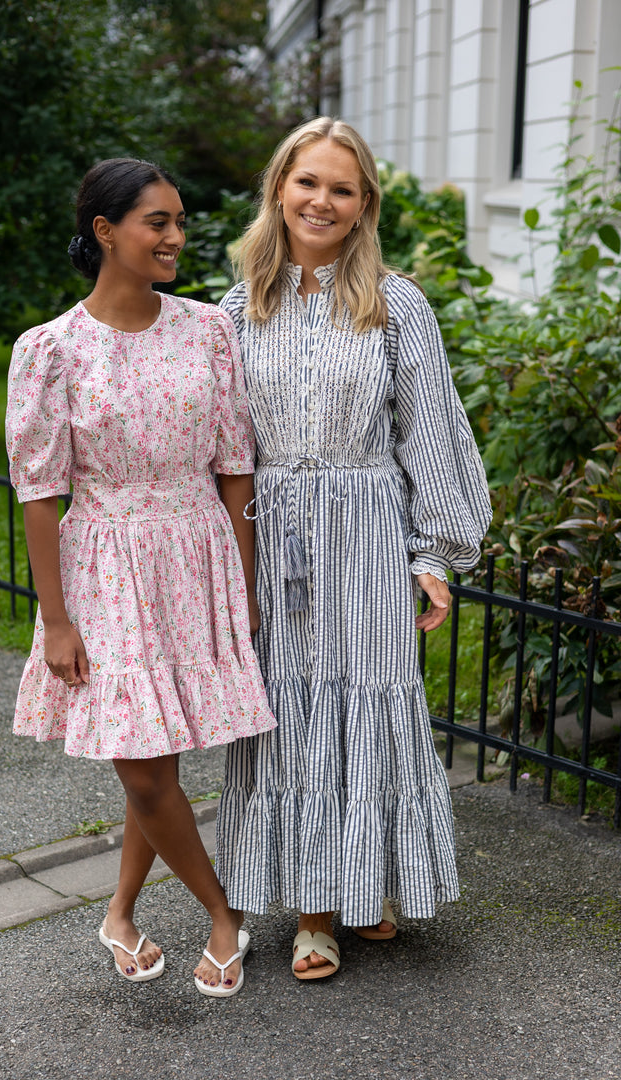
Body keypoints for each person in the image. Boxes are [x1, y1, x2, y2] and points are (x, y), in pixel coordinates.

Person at [214, 117, 492, 980]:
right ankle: (315, 914)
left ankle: (366, 885)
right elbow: (216, 446)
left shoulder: (395, 302)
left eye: (341, 187)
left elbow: (431, 436)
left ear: (364, 201)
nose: (321, 201)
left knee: (370, 703)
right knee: (293, 714)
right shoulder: (235, 307)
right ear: (279, 190)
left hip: (366, 533)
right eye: (307, 183)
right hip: (275, 535)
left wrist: (434, 554)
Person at [5, 157, 277, 998]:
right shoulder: (50, 350)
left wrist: (242, 577)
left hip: (195, 554)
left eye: (179, 222)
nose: (175, 237)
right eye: (157, 221)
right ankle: (223, 916)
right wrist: (56, 620)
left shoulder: (207, 329)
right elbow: (40, 494)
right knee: (144, 762)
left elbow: (237, 466)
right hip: (107, 564)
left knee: (152, 753)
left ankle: (118, 913)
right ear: (105, 231)